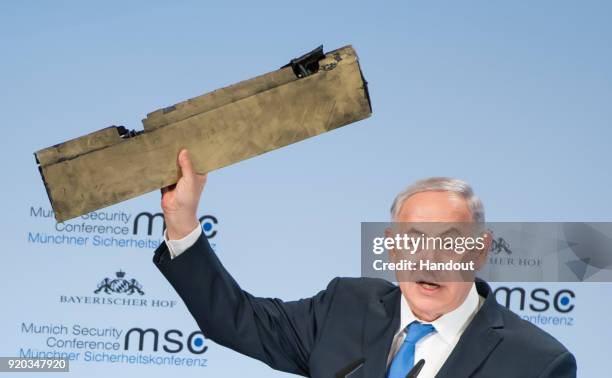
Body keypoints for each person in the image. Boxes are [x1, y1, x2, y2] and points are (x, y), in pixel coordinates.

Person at [153, 149, 576, 378]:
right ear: (391, 246)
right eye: (412, 241)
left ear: (481, 250)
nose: (428, 260)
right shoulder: (345, 307)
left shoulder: (538, 363)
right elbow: (236, 319)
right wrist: (183, 220)